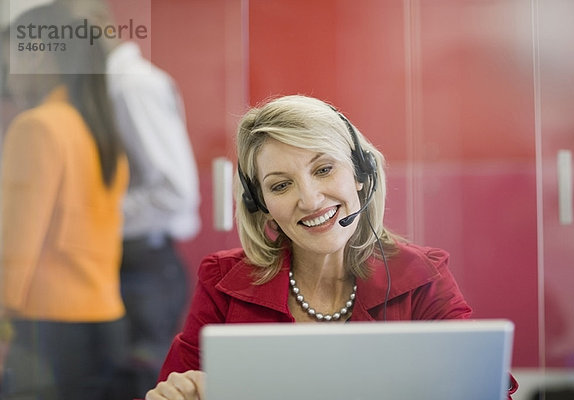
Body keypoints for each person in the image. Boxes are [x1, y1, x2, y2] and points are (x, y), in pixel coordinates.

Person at [145, 95, 518, 400]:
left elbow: (486, 391)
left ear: (361, 174)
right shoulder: (224, 281)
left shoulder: (422, 278)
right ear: (264, 209)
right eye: (280, 185)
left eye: (323, 169)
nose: (309, 200)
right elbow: (177, 388)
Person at [55, 1, 201, 397]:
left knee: (131, 386)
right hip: (123, 264)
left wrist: (87, 218)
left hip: (142, 267)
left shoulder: (132, 86)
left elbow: (173, 192)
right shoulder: (106, 85)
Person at [0, 4, 129, 399]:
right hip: (105, 321)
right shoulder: (98, 130)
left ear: (38, 52)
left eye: (10, 56)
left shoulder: (37, 125)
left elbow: (15, 247)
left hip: (46, 329)